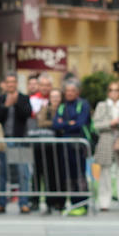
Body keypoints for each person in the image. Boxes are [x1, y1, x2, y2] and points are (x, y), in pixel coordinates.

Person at [48, 79, 91, 213]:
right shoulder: (62, 106)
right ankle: (72, 203)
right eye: (67, 91)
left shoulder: (83, 104)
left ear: (77, 92)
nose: (69, 93)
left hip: (78, 145)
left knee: (79, 175)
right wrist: (69, 123)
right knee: (68, 176)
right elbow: (55, 124)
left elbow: (80, 123)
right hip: (65, 146)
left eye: (72, 91)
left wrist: (65, 124)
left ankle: (82, 204)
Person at [0, 74, 35, 213]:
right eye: (8, 82)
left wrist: (16, 103)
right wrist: (6, 106)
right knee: (2, 173)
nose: (11, 85)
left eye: (13, 82)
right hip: (3, 141)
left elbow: (27, 114)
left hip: (20, 140)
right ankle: (1, 202)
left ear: (16, 83)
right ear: (4, 84)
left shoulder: (24, 98)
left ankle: (23, 202)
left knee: (23, 173)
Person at [91, 80, 119, 211]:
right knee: (105, 173)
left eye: (116, 90)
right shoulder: (102, 105)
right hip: (106, 140)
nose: (113, 93)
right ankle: (104, 202)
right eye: (111, 90)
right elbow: (96, 125)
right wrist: (110, 123)